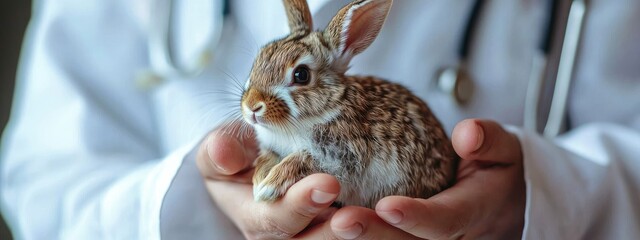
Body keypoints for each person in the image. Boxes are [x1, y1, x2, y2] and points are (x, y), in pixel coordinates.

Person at [1, 0, 639, 239]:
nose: (254, 106)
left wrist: (541, 199)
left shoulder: (340, 115)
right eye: (254, 87)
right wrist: (187, 208)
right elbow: (43, 177)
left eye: (294, 81)